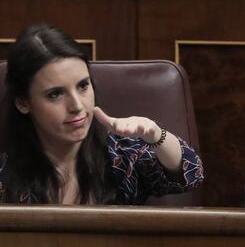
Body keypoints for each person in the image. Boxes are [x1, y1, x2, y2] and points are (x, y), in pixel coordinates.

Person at [0, 24, 204, 204]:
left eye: (83, 86)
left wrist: (155, 134)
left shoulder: (120, 155)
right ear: (23, 103)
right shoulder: (5, 171)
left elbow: (191, 174)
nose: (77, 106)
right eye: (55, 94)